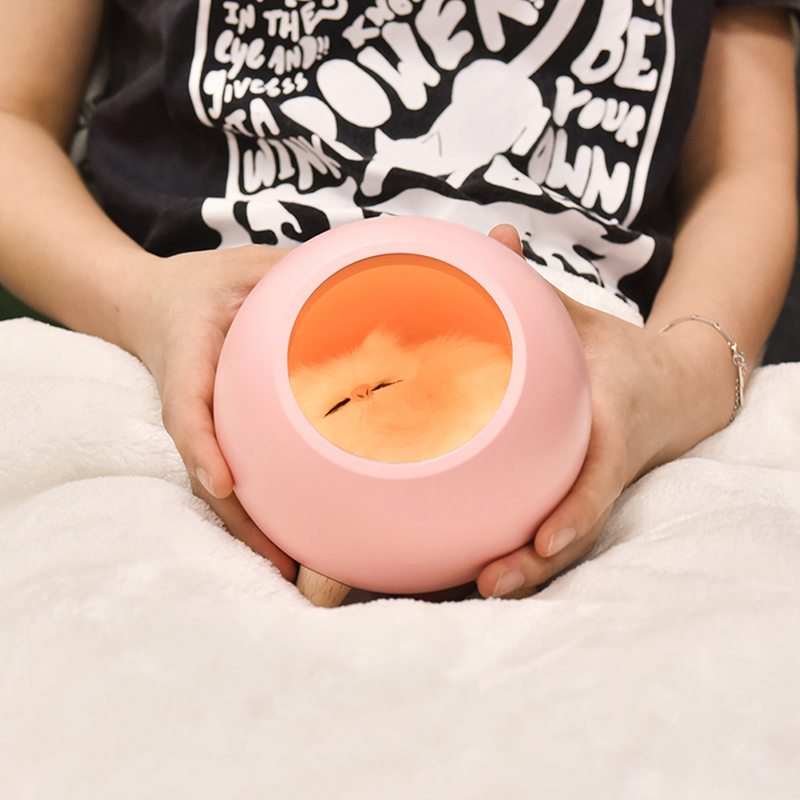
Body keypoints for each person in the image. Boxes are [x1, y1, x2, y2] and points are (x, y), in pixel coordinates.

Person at [0, 0, 797, 599]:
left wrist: (687, 373)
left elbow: (745, 173)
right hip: (180, 353)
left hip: (608, 410)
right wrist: (143, 299)